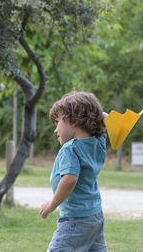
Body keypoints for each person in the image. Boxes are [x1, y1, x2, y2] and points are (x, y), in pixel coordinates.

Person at [40, 91, 108, 252]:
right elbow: (105, 117)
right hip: (95, 216)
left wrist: (52, 204)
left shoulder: (70, 149)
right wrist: (95, 114)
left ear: (74, 120)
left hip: (75, 219)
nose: (55, 130)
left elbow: (70, 179)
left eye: (58, 122)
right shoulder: (98, 142)